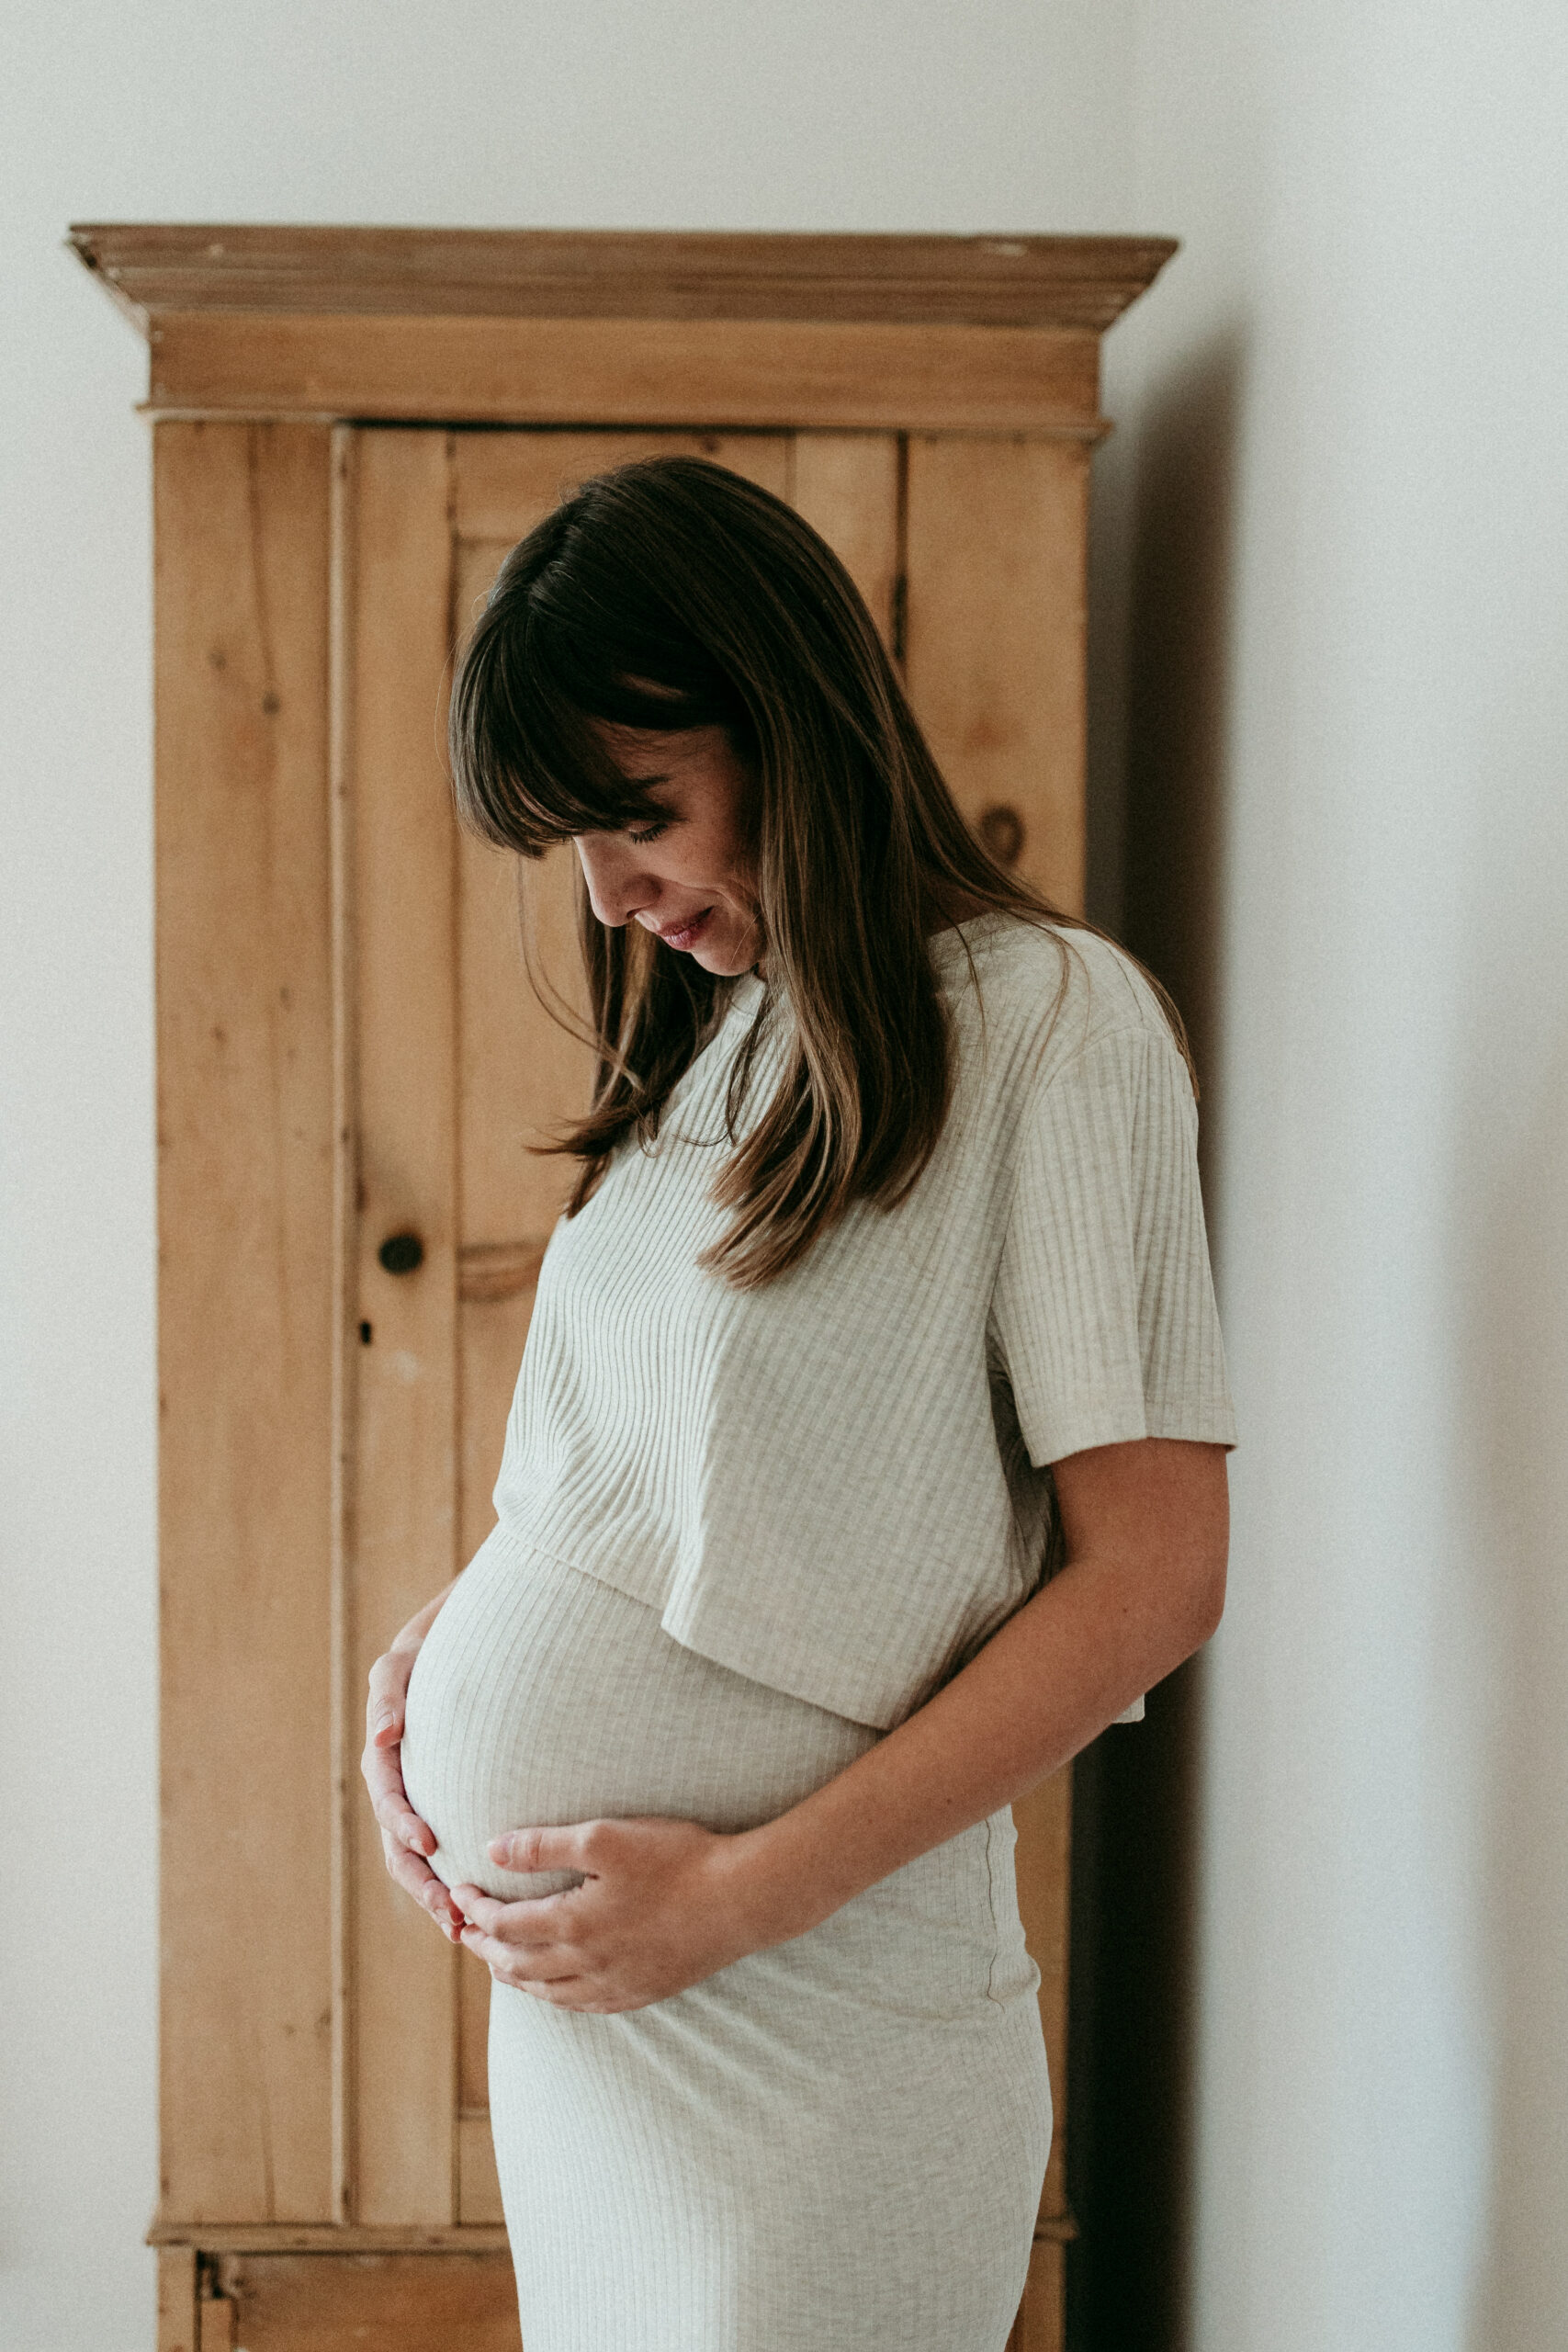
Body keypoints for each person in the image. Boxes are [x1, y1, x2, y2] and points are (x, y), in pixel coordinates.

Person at [360, 456, 1235, 2352]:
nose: (611, 894)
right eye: (572, 843)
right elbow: (676, 1472)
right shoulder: (722, 1037)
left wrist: (736, 1899)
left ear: (789, 723)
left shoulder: (1049, 1021)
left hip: (810, 2029)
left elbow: (1154, 1576)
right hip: (604, 2038)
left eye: (640, 816)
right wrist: (437, 1655)